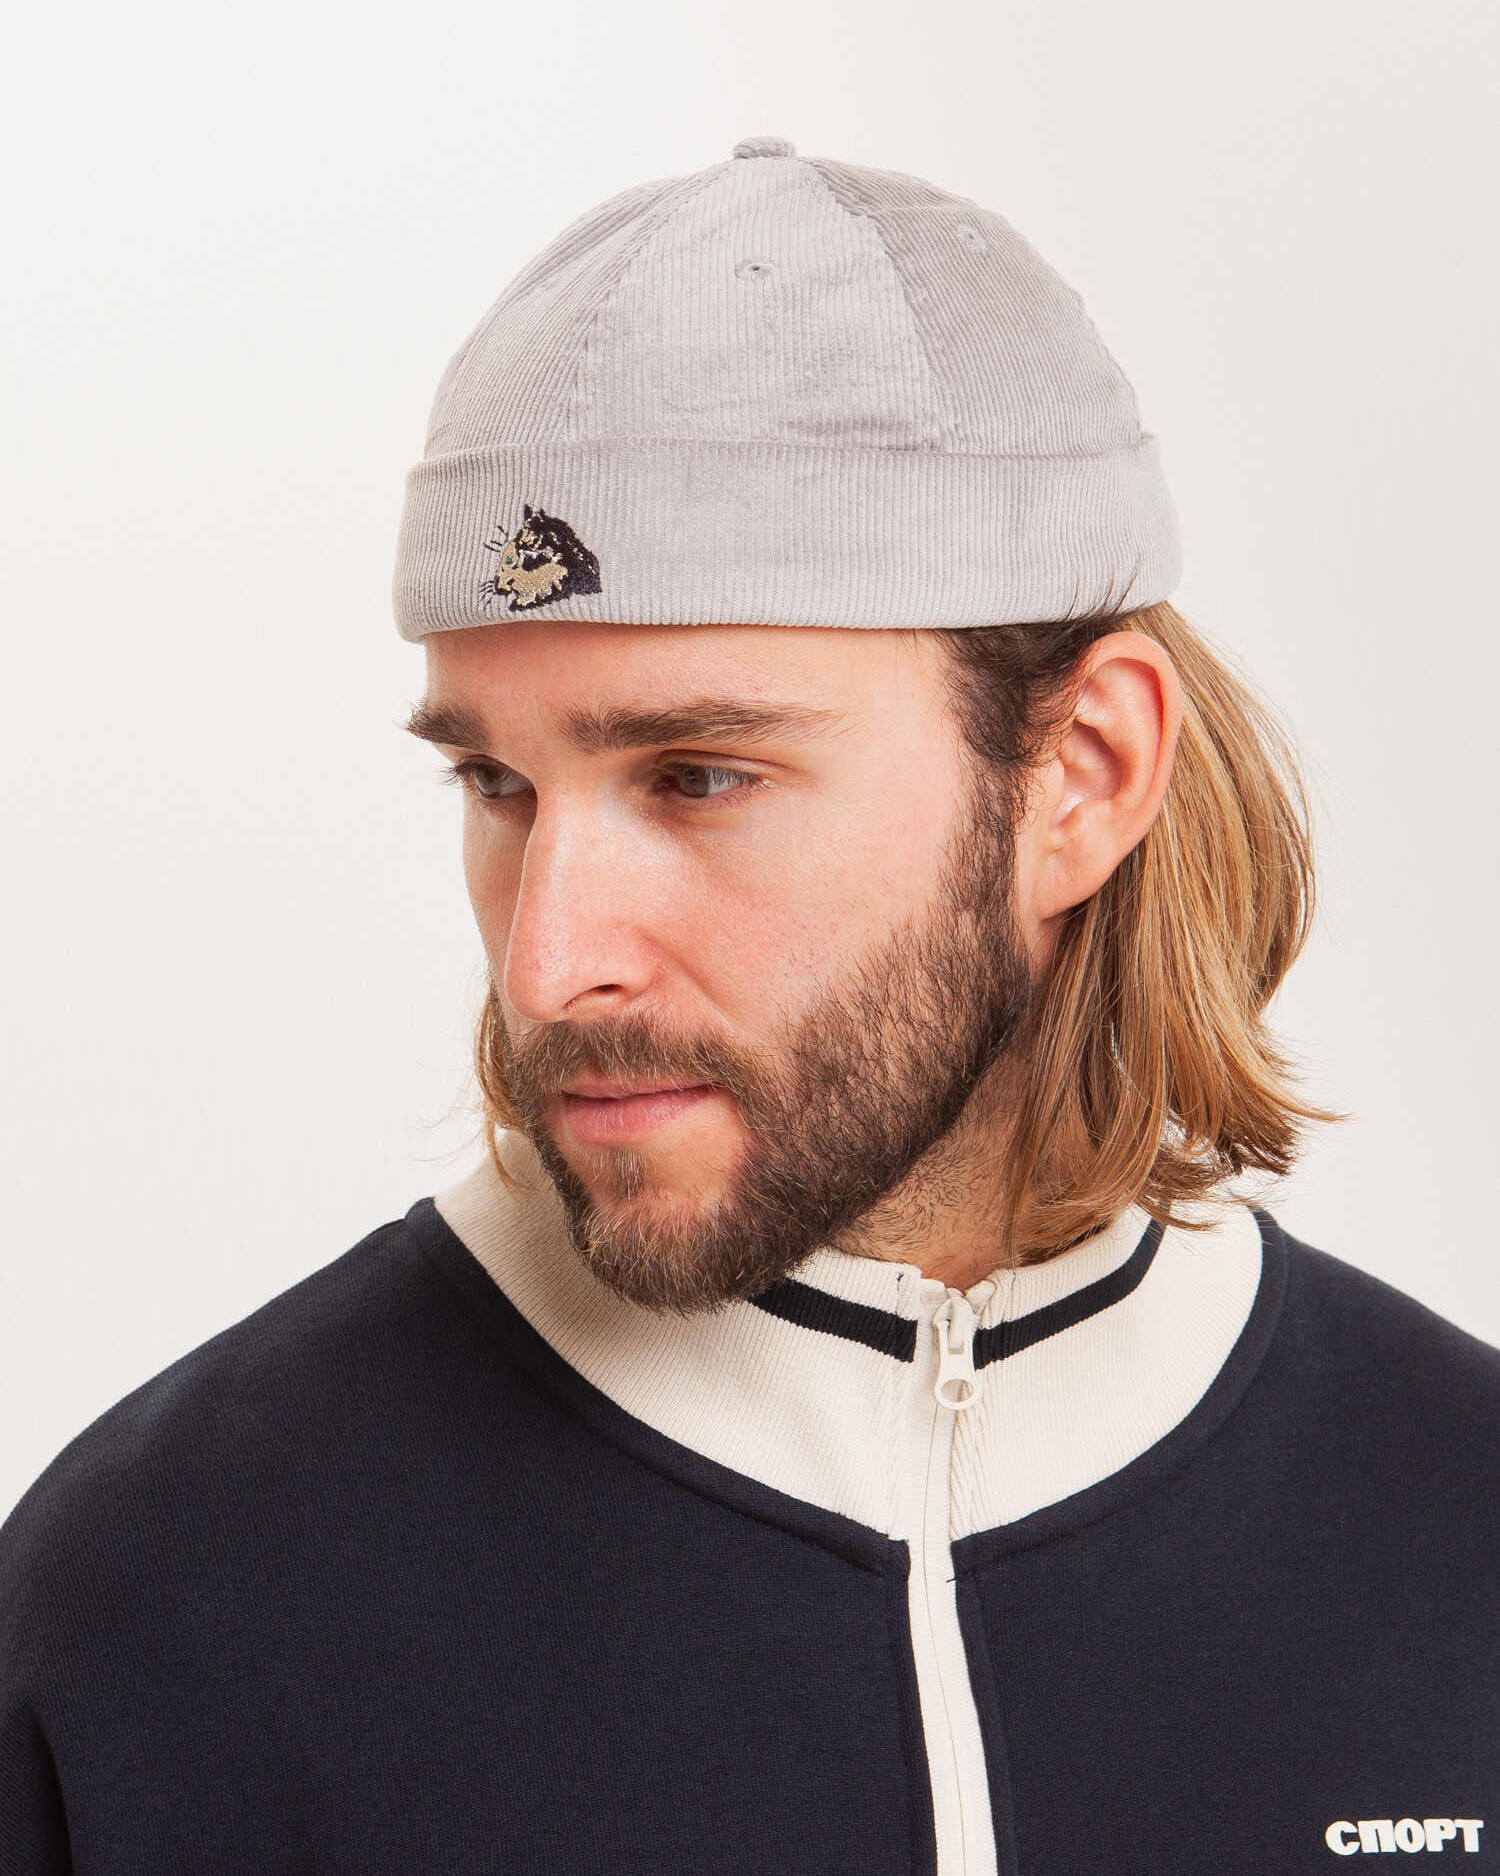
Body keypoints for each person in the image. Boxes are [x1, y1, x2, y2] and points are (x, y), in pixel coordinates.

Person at [2, 136, 1495, 1875]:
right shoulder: (158, 1613)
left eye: (699, 776)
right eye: (497, 785)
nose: (548, 961)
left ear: (1083, 773)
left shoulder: (1461, 1528)